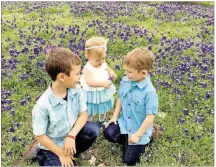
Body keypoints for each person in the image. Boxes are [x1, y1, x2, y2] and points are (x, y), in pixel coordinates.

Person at [32, 47, 100, 166]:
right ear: (62, 77)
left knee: (92, 130)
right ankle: (41, 154)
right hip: (52, 146)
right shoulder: (43, 105)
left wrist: (71, 135)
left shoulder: (77, 90)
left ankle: (74, 151)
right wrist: (61, 154)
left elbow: (83, 114)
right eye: (78, 73)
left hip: (70, 135)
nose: (80, 77)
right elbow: (40, 135)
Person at [104, 48, 158, 166]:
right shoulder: (126, 80)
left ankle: (149, 136)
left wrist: (138, 135)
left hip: (139, 130)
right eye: (126, 71)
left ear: (143, 73)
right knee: (108, 133)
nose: (126, 74)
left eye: (130, 71)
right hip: (125, 123)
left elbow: (150, 117)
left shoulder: (150, 92)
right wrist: (114, 117)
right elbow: (120, 98)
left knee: (129, 161)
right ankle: (128, 142)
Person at [80, 37, 117, 128]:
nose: (100, 62)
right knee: (90, 109)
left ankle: (102, 120)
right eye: (97, 60)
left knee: (103, 107)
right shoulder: (87, 68)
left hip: (102, 91)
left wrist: (112, 74)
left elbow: (109, 71)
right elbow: (90, 82)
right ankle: (88, 122)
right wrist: (103, 84)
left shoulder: (104, 64)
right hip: (91, 93)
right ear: (88, 57)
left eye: (103, 58)